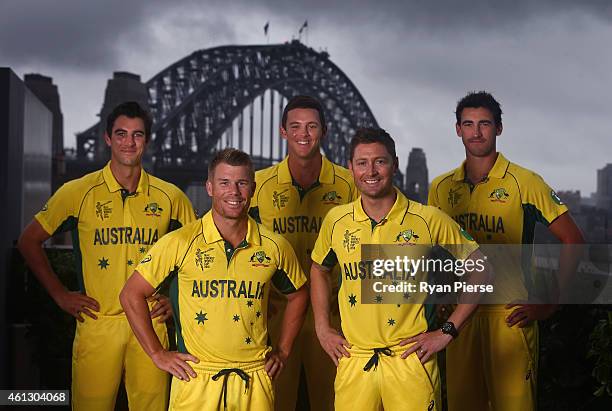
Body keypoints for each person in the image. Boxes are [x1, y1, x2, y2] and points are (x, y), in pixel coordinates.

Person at [17, 101, 196, 410]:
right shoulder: (78, 192)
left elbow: (197, 255)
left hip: (151, 324)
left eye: (137, 135)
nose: (129, 142)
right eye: (121, 134)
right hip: (99, 324)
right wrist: (60, 295)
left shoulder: (171, 197)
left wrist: (175, 300)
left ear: (147, 140)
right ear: (108, 139)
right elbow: (28, 241)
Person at [428, 91, 585, 411]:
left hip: (509, 317)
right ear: (457, 129)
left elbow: (573, 240)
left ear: (499, 129)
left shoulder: (525, 182)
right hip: (462, 319)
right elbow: (436, 251)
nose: (476, 132)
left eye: (484, 123)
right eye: (468, 124)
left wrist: (550, 302)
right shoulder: (441, 188)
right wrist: (442, 296)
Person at [120, 148, 309, 411]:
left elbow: (299, 294)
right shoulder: (180, 242)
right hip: (197, 378)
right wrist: (157, 353)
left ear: (252, 189)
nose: (234, 192)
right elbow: (131, 294)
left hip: (254, 379)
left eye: (241, 183)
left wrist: (284, 351)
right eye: (224, 183)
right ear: (209, 187)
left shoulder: (274, 246)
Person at [310, 128, 485, 411]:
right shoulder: (337, 221)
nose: (371, 171)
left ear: (395, 164)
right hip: (355, 361)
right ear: (350, 167)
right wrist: (322, 328)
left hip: (411, 361)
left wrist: (447, 331)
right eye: (362, 163)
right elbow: (319, 268)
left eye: (380, 161)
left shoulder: (428, 219)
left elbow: (481, 268)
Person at [249, 95, 357, 410]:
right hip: (276, 314)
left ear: (323, 131)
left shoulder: (351, 184)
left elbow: (378, 243)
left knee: (335, 401)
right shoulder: (258, 185)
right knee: (273, 400)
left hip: (336, 314)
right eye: (295, 126)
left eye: (311, 126)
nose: (303, 134)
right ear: (283, 131)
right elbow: (242, 244)